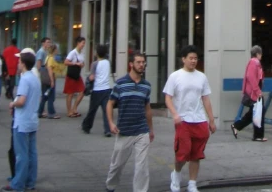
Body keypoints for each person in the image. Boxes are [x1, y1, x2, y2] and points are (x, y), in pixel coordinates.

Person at [164, 44, 216, 192]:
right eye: (191, 58)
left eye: (195, 58)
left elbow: (206, 99)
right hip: (183, 120)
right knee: (182, 153)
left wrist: (211, 120)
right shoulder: (175, 76)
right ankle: (176, 173)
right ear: (183, 59)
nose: (193, 61)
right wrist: (175, 114)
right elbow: (168, 98)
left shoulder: (202, 77)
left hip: (199, 119)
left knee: (196, 154)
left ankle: (192, 183)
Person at [104, 52, 154, 192]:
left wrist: (151, 129)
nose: (141, 65)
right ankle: (110, 186)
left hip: (141, 130)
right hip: (124, 131)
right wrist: (111, 123)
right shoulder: (120, 84)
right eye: (138, 62)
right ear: (131, 64)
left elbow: (147, 109)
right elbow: (110, 103)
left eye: (143, 62)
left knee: (142, 167)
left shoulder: (146, 86)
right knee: (117, 165)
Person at [2, 49, 40, 192]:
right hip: (32, 120)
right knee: (32, 153)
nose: (18, 63)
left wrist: (13, 104)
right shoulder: (35, 78)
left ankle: (17, 184)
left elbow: (22, 100)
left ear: (23, 64)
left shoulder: (24, 79)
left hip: (22, 121)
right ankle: (30, 182)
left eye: (19, 61)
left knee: (21, 155)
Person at [230, 45, 266, 141]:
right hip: (254, 93)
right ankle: (257, 135)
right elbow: (251, 77)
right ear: (258, 54)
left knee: (255, 112)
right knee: (258, 112)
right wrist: (258, 91)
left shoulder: (253, 62)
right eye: (261, 53)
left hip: (253, 93)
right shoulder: (255, 62)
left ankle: (237, 126)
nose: (261, 55)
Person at [82, 43, 112, 136]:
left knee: (92, 110)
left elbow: (92, 77)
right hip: (107, 89)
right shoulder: (108, 62)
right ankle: (107, 130)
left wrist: (87, 79)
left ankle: (87, 126)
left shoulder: (95, 64)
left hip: (97, 90)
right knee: (106, 110)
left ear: (97, 53)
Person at [64, 36, 86, 117]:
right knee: (70, 93)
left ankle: (74, 108)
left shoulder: (81, 53)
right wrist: (75, 63)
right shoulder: (73, 52)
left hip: (77, 74)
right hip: (71, 75)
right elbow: (66, 62)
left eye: (84, 43)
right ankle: (69, 111)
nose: (83, 45)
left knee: (82, 91)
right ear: (78, 43)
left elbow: (82, 62)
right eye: (82, 43)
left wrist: (82, 64)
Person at [38, 43, 60, 119]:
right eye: (56, 49)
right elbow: (50, 69)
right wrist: (52, 81)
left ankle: (39, 111)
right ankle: (51, 113)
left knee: (44, 96)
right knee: (51, 97)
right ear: (54, 50)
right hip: (50, 79)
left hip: (45, 80)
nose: (57, 51)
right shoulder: (51, 58)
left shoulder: (48, 57)